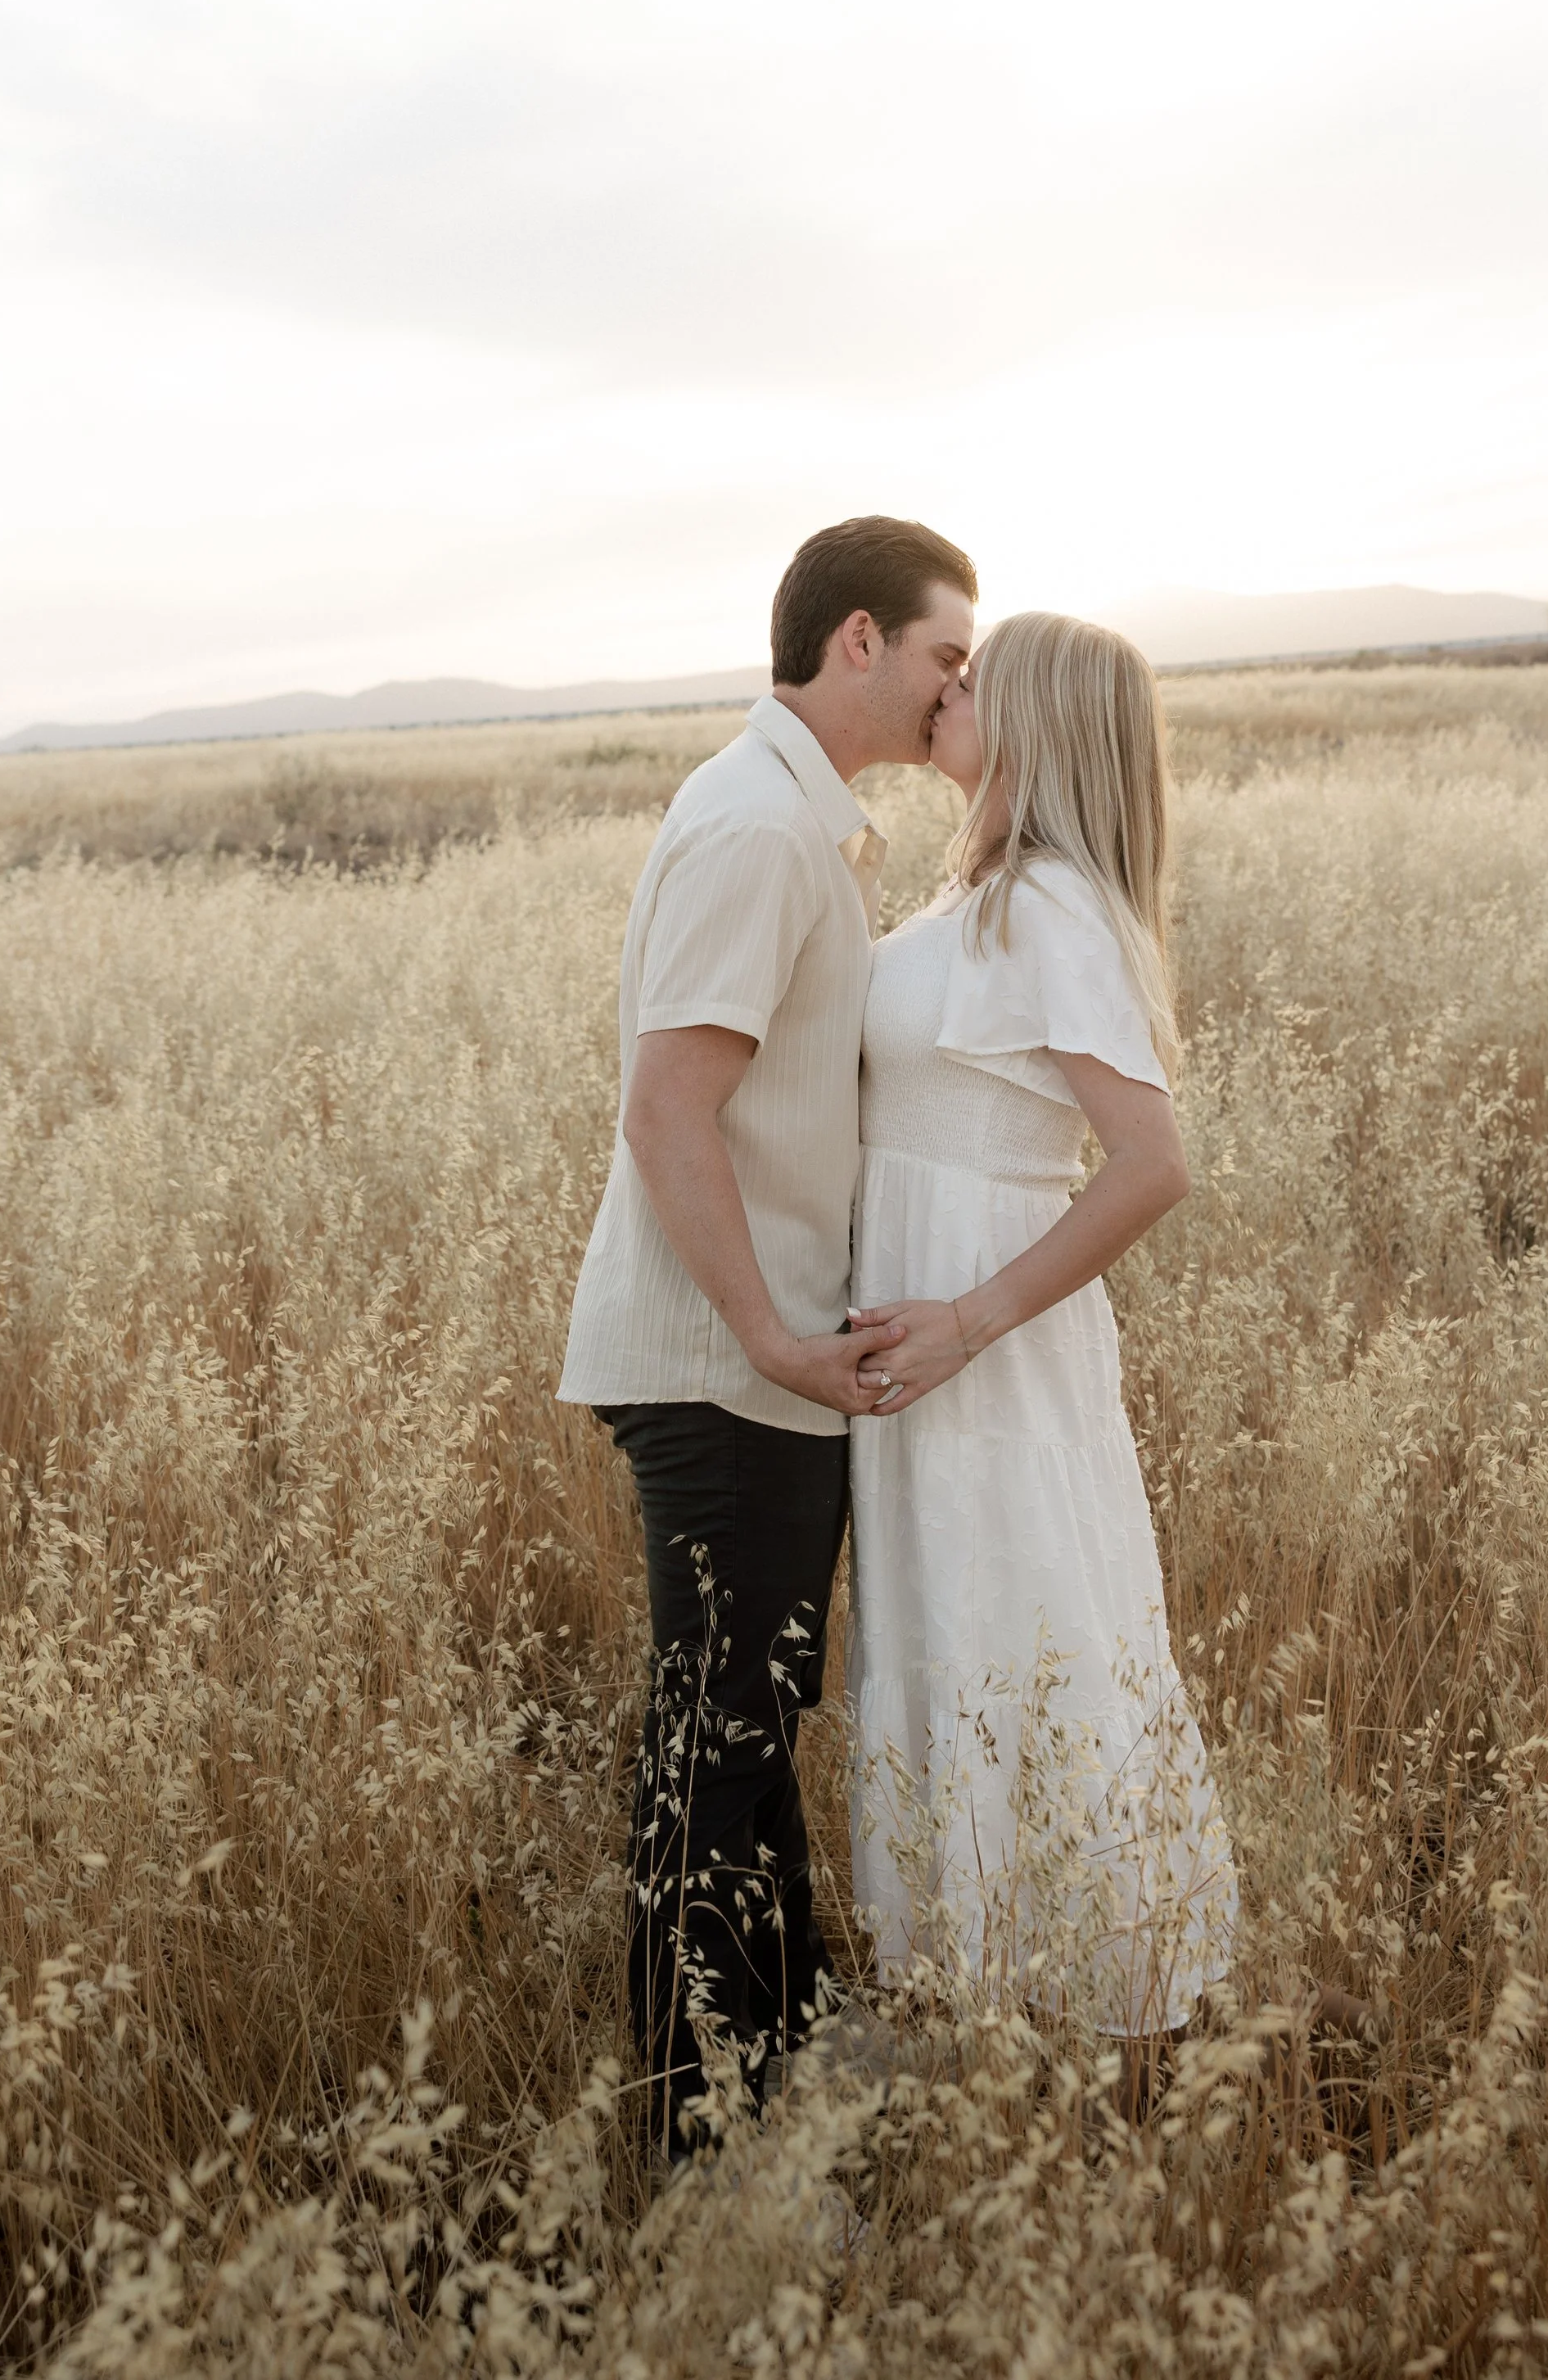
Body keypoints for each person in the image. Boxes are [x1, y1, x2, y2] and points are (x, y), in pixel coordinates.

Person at [558, 514, 977, 2165]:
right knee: (711, 1751)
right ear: (858, 644)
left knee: (746, 1735)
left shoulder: (811, 827)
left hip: (768, 1361)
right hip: (726, 1366)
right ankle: (695, 2148)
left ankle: (776, 2078)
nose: (961, 684)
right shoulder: (754, 830)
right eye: (946, 654)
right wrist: (768, 1337)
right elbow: (668, 1108)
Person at [845, 611, 1240, 2044]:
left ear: (1041, 724)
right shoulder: (974, 892)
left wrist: (968, 1317)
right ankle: (975, 1986)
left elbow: (1151, 1161)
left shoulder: (1056, 906)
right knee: (948, 1618)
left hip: (984, 1321)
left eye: (975, 678)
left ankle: (1076, 1994)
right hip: (916, 1306)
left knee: (1016, 1617)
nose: (947, 690)